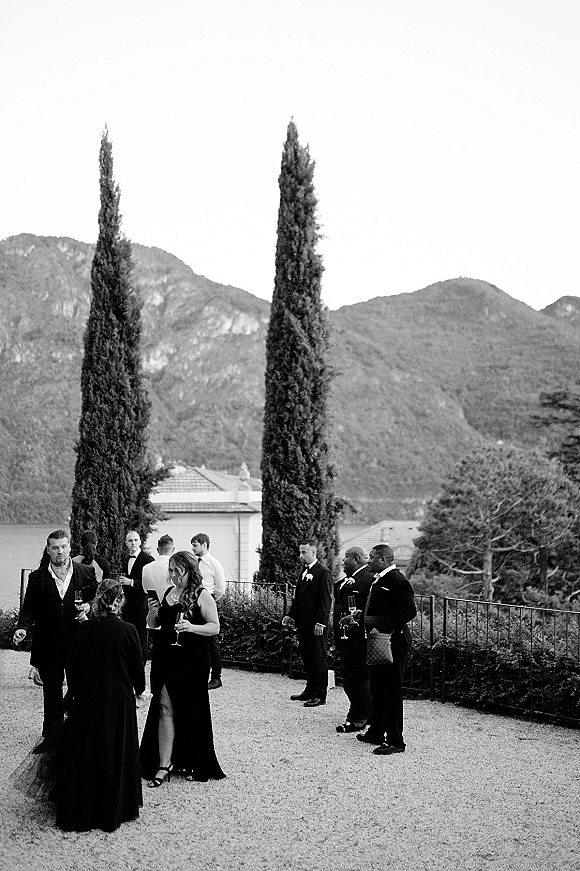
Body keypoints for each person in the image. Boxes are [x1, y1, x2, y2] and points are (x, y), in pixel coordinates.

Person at [55, 579, 145, 832]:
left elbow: (72, 666)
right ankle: (115, 806)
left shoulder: (85, 630)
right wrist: (138, 690)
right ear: (119, 602)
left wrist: (76, 693)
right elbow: (137, 669)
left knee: (88, 753)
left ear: (98, 599)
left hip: (88, 700)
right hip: (118, 701)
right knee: (115, 754)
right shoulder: (128, 630)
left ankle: (83, 806)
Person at [139, 550, 226, 786]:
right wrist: (152, 610)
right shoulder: (168, 593)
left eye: (177, 571)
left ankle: (193, 760)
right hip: (166, 657)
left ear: (190, 571)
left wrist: (192, 627)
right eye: (171, 570)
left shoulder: (202, 595)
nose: (173, 575)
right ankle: (163, 764)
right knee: (164, 707)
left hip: (193, 660)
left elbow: (214, 627)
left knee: (190, 710)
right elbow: (153, 624)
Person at [12, 530, 97, 736]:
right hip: (48, 644)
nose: (60, 551)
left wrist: (89, 608)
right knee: (51, 692)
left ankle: (80, 736)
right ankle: (51, 737)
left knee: (81, 689)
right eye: (55, 548)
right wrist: (22, 627)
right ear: (48, 550)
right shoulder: (37, 577)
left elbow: (97, 602)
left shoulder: (86, 573)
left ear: (70, 547)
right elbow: (28, 608)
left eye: (64, 547)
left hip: (79, 643)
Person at [356, 544, 417, 755]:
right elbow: (380, 608)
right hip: (380, 641)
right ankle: (376, 732)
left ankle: (396, 741)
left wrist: (381, 626)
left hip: (394, 642)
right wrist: (358, 617)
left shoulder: (398, 581)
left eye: (371, 557)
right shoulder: (380, 580)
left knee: (391, 691)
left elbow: (409, 611)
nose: (368, 560)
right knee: (378, 688)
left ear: (383, 559)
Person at [282, 540, 332, 707]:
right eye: (300, 552)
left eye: (304, 553)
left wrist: (321, 623)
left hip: (316, 625)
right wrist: (291, 616)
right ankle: (309, 690)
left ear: (313, 553)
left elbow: (325, 601)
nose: (300, 556)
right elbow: (299, 598)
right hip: (303, 624)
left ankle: (320, 694)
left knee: (318, 658)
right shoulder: (303, 570)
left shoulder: (323, 573)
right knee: (307, 657)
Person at [333, 546, 374, 733]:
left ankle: (357, 717)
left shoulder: (367, 578)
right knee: (354, 677)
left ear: (356, 559)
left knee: (354, 679)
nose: (343, 561)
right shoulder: (353, 578)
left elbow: (371, 607)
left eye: (346, 557)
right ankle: (368, 713)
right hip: (346, 637)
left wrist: (358, 618)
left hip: (357, 638)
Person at [191, 533, 226, 690]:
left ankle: (216, 677)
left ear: (204, 545)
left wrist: (210, 600)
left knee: (212, 640)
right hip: (192, 600)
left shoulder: (214, 564)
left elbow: (220, 588)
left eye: (195, 545)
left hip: (208, 598)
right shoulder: (192, 563)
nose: (193, 548)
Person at [142, 534, 174, 693]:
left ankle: (156, 686)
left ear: (157, 549)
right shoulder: (174, 567)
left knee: (157, 655)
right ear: (173, 549)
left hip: (153, 609)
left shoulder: (147, 568)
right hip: (171, 614)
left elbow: (144, 589)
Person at [119, 530, 155, 665]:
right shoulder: (125, 559)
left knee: (141, 638)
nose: (133, 543)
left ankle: (141, 666)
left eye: (135, 540)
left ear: (140, 542)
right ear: (126, 543)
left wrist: (131, 582)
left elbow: (150, 583)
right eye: (130, 540)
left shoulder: (147, 559)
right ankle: (129, 664)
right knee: (128, 637)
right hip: (127, 606)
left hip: (141, 607)